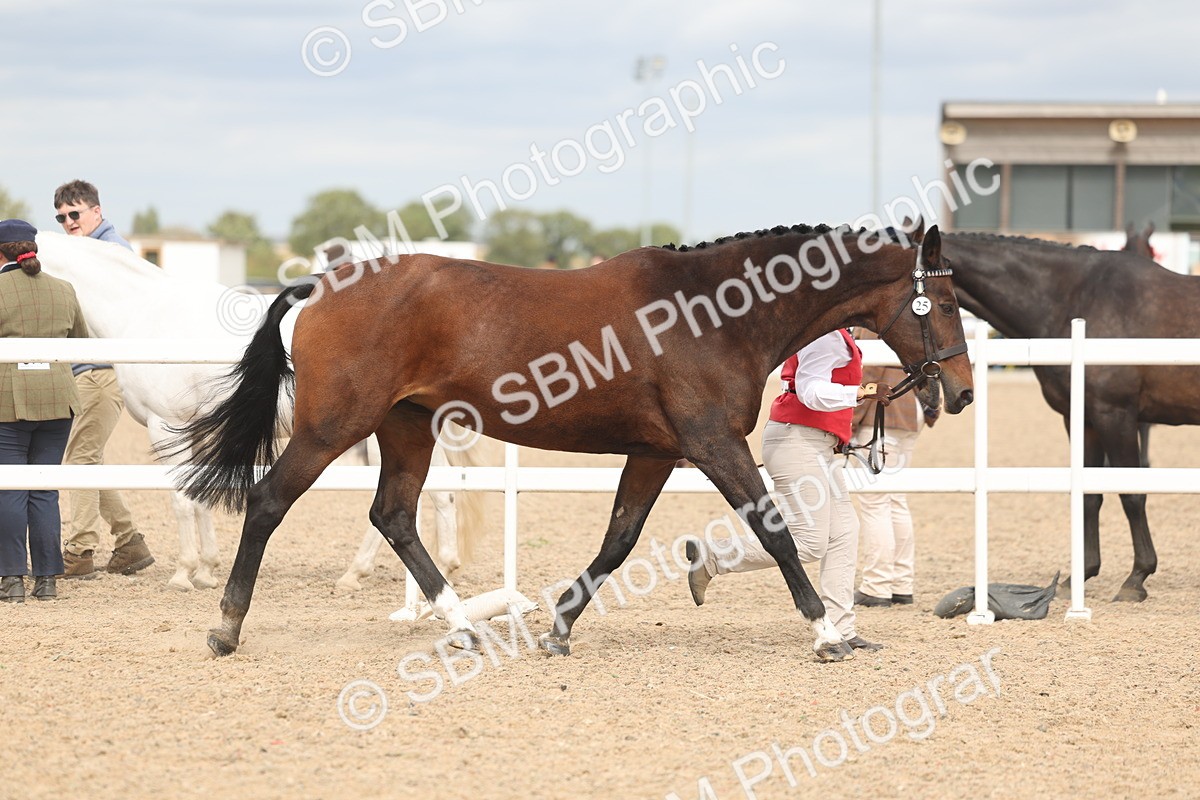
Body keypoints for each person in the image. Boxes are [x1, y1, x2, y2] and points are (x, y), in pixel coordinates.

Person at [686, 328, 890, 652]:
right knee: (810, 542)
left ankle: (841, 628)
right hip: (798, 440)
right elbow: (810, 391)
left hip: (815, 442)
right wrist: (859, 394)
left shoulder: (838, 335)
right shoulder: (827, 336)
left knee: (845, 530)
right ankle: (714, 556)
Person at [52, 180, 154, 578]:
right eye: (61, 217)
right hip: (88, 372)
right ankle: (129, 541)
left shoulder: (112, 254)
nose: (68, 222)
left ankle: (80, 551)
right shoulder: (87, 253)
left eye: (74, 214)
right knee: (89, 457)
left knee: (80, 459)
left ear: (96, 211)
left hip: (101, 371)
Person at [0, 220, 89, 603]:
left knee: (10, 490)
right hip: (58, 400)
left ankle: (11, 578)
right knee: (44, 490)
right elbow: (81, 344)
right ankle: (47, 579)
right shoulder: (64, 289)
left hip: (8, 400)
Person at [849, 328, 938, 608]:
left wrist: (848, 421)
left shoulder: (871, 313)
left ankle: (877, 585)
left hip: (883, 415)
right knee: (895, 499)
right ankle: (901, 582)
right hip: (910, 412)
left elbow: (870, 372)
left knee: (875, 501)